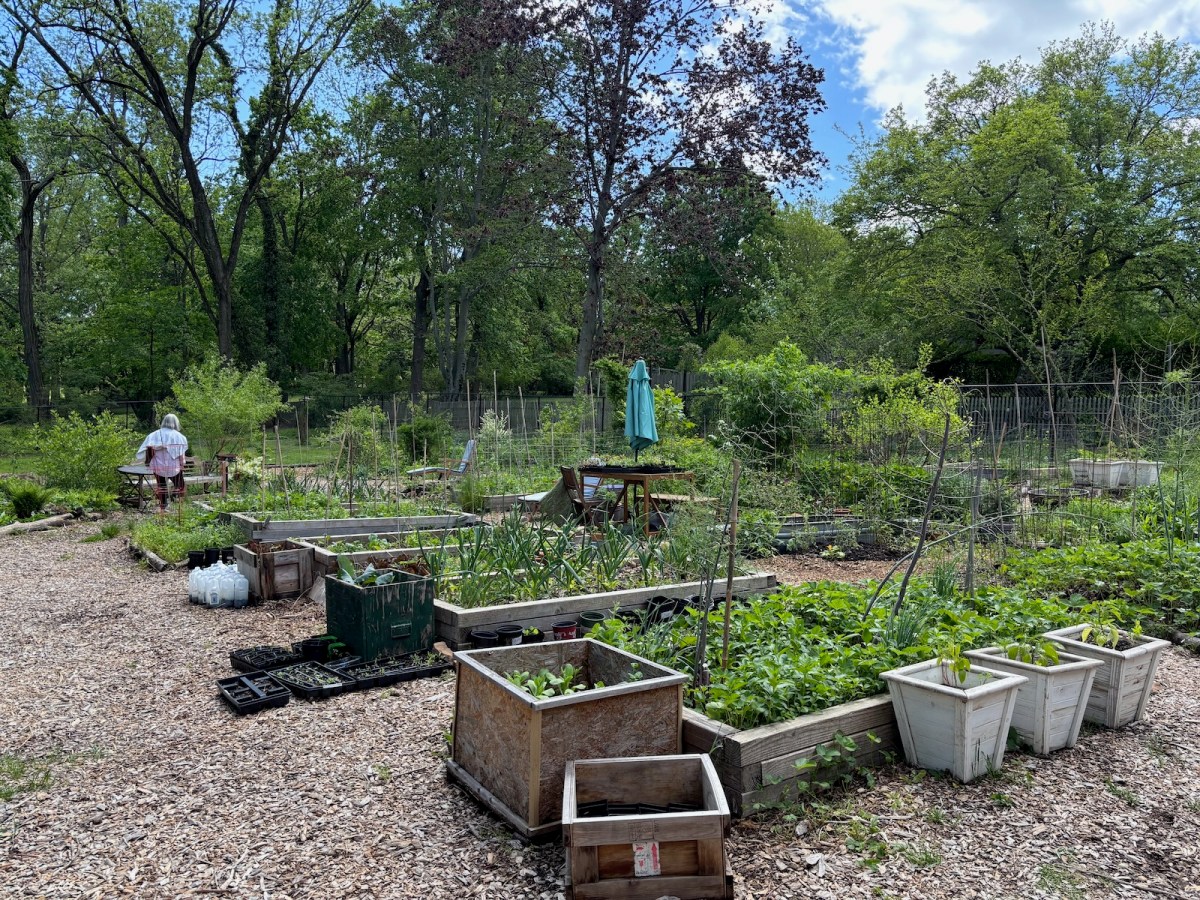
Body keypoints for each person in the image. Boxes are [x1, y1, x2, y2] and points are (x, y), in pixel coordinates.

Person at [136, 414, 189, 513]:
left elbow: (145, 450)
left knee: (162, 486)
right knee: (180, 485)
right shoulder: (180, 437)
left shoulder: (153, 435)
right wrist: (183, 464)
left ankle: (164, 506)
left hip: (158, 466)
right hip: (174, 467)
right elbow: (181, 456)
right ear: (176, 423)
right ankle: (177, 501)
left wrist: (155, 450)